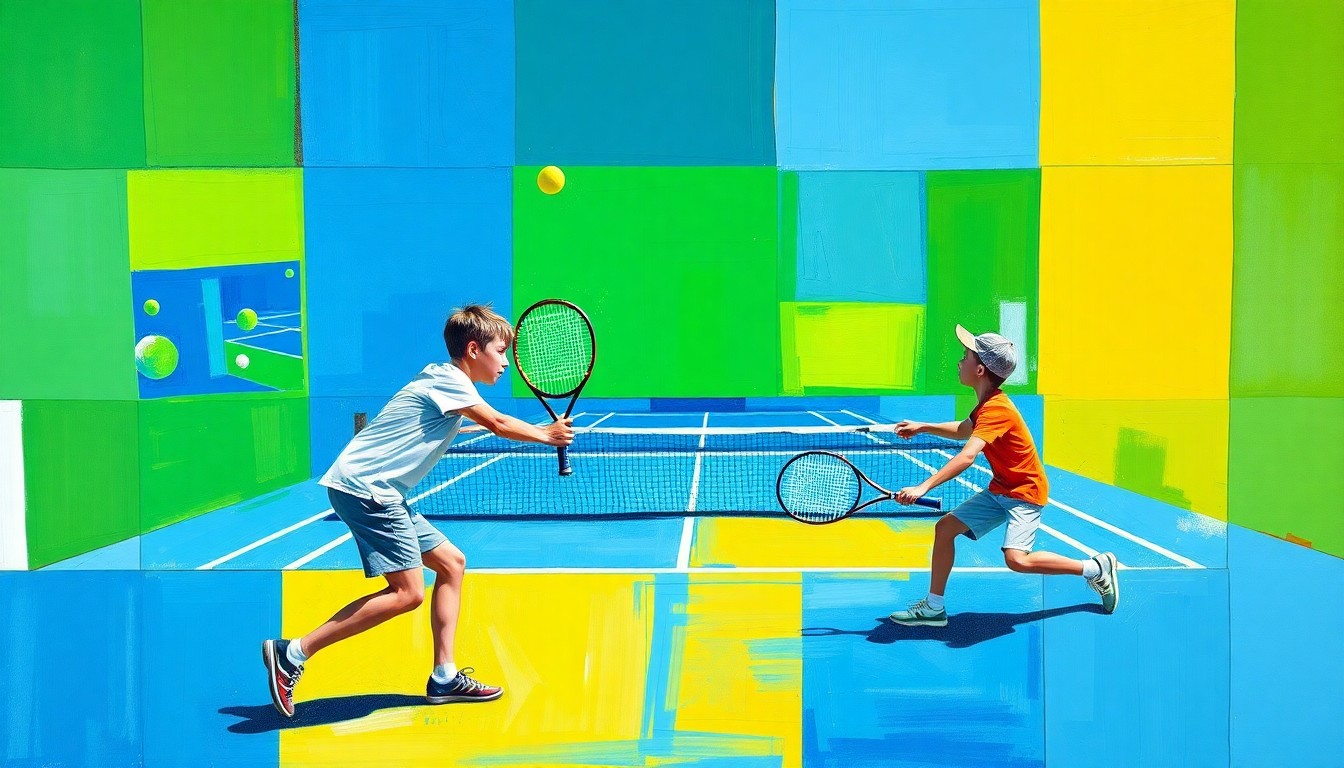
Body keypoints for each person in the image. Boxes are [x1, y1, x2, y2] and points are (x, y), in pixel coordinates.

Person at [262, 305, 573, 717]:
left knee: (451, 564)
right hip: (370, 491)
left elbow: (463, 422)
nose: (505, 362)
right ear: (474, 349)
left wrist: (521, 429)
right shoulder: (450, 380)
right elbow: (497, 422)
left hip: (376, 489)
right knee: (407, 593)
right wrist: (546, 435)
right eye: (501, 351)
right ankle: (294, 653)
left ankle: (443, 676)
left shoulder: (443, 383)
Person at [887, 324, 1118, 627]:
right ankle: (934, 608)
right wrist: (923, 426)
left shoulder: (997, 409)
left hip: (1024, 492)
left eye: (965, 356)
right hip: (1002, 489)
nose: (960, 361)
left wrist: (923, 486)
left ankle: (1096, 568)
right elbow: (965, 430)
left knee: (1017, 560)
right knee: (945, 529)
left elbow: (968, 455)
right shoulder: (987, 406)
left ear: (980, 369)